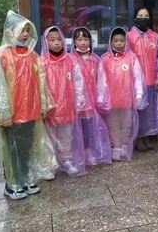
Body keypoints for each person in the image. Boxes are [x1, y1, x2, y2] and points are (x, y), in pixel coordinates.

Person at [0, 11, 57, 200]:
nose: (26, 34)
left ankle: (25, 178)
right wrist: (4, 111)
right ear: (9, 32)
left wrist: (42, 105)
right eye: (21, 30)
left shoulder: (31, 55)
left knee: (27, 148)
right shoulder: (1, 56)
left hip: (30, 111)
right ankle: (12, 183)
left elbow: (41, 81)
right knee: (12, 149)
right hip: (12, 114)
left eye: (28, 30)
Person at [40, 26, 88, 176]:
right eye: (52, 40)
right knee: (49, 137)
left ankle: (66, 160)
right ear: (46, 42)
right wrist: (43, 105)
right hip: (50, 109)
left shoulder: (71, 61)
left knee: (66, 136)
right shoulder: (42, 62)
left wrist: (79, 101)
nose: (56, 43)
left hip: (67, 107)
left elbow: (78, 82)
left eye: (59, 39)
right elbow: (40, 85)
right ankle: (50, 163)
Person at [97, 27, 146, 161]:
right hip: (111, 100)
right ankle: (115, 146)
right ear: (111, 42)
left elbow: (137, 78)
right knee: (112, 124)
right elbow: (101, 81)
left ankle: (124, 145)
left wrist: (139, 94)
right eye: (116, 41)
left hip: (127, 99)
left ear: (126, 41)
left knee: (126, 124)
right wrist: (101, 98)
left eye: (122, 40)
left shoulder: (131, 58)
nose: (119, 43)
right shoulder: (105, 59)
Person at [70, 27, 112, 165]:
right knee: (77, 130)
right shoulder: (70, 60)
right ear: (74, 42)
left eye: (86, 39)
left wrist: (100, 99)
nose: (83, 43)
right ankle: (78, 154)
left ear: (91, 41)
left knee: (90, 129)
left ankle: (90, 152)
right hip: (75, 104)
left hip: (92, 103)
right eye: (79, 39)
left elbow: (101, 82)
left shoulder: (95, 60)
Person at [127, 7, 158, 151]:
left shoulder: (154, 36)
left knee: (149, 110)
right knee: (137, 109)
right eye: (140, 15)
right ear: (135, 18)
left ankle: (147, 136)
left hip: (151, 79)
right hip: (135, 82)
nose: (143, 18)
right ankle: (137, 138)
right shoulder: (129, 36)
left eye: (146, 16)